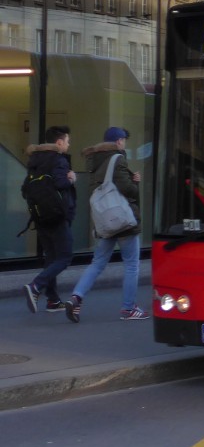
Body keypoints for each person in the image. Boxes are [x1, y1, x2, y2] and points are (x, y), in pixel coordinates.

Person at [64, 127, 147, 322]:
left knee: (97, 263)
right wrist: (135, 182)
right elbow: (127, 189)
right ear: (118, 141)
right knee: (132, 265)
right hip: (123, 220)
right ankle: (128, 309)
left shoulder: (94, 161)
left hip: (104, 221)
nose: (125, 144)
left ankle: (76, 297)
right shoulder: (117, 159)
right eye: (124, 140)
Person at [22, 125, 78, 313]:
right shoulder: (58, 160)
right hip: (57, 215)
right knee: (64, 257)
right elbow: (61, 183)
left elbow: (25, 188)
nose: (69, 145)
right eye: (68, 141)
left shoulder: (35, 160)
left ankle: (53, 300)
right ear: (59, 142)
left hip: (40, 216)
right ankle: (36, 285)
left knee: (52, 257)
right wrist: (71, 178)